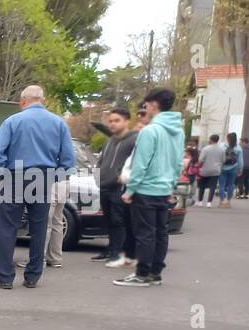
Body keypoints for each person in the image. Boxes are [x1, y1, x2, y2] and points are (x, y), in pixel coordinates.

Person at [0, 84, 75, 290]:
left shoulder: (12, 121)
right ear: (42, 100)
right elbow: (68, 159)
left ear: (23, 101)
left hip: (14, 175)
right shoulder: (58, 123)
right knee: (39, 227)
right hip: (43, 177)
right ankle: (33, 276)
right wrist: (54, 177)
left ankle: (5, 278)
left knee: (7, 227)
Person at [114, 88, 183, 287]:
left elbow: (140, 164)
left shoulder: (149, 131)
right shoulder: (178, 132)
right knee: (161, 233)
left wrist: (130, 191)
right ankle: (155, 273)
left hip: (145, 190)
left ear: (153, 105)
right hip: (164, 190)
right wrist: (171, 187)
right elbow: (178, 162)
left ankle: (142, 274)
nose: (145, 109)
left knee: (145, 233)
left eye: (146, 105)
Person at [93, 107, 138, 265]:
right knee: (109, 220)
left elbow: (137, 163)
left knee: (118, 220)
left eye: (117, 120)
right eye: (110, 121)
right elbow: (102, 160)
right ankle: (111, 249)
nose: (112, 124)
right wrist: (97, 174)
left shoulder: (134, 140)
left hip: (120, 186)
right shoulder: (109, 140)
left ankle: (118, 253)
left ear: (127, 121)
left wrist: (126, 178)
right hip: (104, 185)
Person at [196, 133, 224, 206]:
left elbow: (200, 159)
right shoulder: (221, 149)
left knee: (202, 186)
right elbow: (223, 160)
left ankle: (200, 201)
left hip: (205, 170)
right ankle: (209, 202)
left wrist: (198, 166)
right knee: (213, 186)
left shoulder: (205, 149)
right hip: (216, 170)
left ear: (211, 140)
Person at [218, 132, 241, 207]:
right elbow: (240, 160)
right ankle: (228, 201)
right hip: (233, 168)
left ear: (227, 138)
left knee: (221, 185)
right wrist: (240, 169)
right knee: (231, 185)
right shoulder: (238, 148)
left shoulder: (222, 146)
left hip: (222, 168)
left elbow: (218, 157)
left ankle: (222, 201)